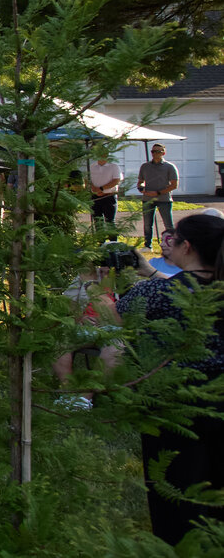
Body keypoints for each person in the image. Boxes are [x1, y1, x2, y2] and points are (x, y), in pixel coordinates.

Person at [110, 214, 224, 543]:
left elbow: (114, 317)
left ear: (186, 247)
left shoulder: (159, 294)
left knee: (174, 502)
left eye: (173, 241)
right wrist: (149, 271)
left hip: (172, 411)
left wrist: (100, 287)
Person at [138, 143, 179, 249]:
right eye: (153, 151)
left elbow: (174, 185)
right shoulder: (145, 166)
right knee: (147, 224)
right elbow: (140, 182)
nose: (155, 153)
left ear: (163, 153)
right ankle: (148, 245)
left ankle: (171, 245)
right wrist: (142, 189)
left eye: (158, 151)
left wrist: (158, 192)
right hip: (147, 199)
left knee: (168, 224)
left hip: (164, 199)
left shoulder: (169, 167)